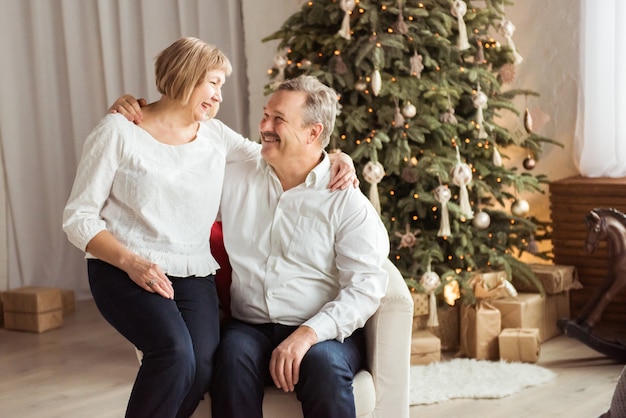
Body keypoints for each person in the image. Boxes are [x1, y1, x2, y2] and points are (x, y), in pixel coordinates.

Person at [210, 75, 390, 418]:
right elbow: (181, 134)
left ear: (313, 133)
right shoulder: (237, 172)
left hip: (320, 330)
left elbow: (365, 287)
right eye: (265, 115)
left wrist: (309, 334)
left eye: (279, 119)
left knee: (323, 366)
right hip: (249, 326)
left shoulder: (346, 202)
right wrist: (134, 111)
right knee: (230, 361)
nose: (265, 125)